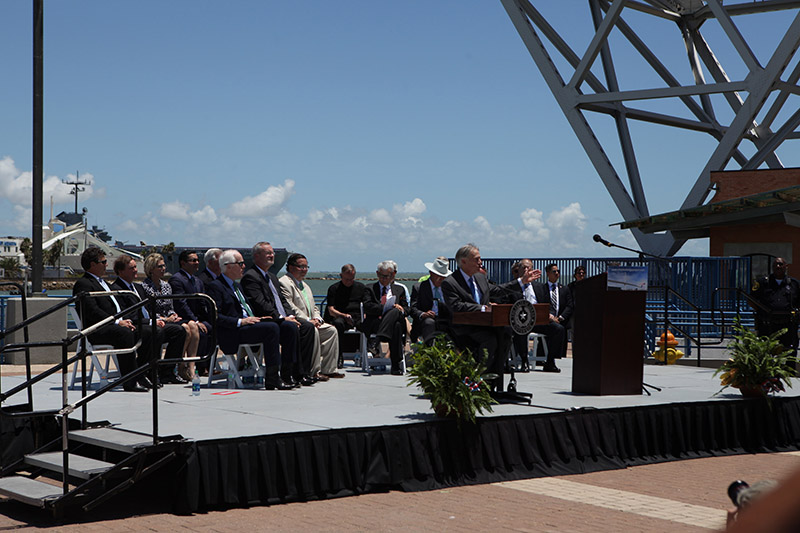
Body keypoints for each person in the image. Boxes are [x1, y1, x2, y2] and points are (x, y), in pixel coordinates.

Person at [204, 249, 291, 390]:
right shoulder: (215, 287)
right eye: (240, 263)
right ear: (228, 266)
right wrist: (240, 321)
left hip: (248, 325)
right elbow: (215, 317)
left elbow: (245, 309)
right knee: (271, 329)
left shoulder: (237, 286)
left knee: (287, 326)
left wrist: (258, 318)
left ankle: (289, 374)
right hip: (232, 330)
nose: (244, 266)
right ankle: (273, 378)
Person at [72, 247, 151, 392]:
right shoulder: (84, 284)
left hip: (116, 324)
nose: (106, 264)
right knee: (124, 334)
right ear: (92, 264)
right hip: (98, 329)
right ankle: (130, 381)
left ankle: (141, 372)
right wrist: (117, 321)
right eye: (103, 262)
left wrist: (124, 320)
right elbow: (92, 311)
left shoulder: (104, 283)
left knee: (150, 332)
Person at [441, 243, 511, 391]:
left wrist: (521, 282)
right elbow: (456, 306)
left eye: (480, 258)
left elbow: (497, 290)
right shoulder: (450, 282)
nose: (481, 262)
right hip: (465, 328)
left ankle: (493, 378)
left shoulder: (480, 277)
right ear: (464, 261)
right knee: (490, 340)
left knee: (505, 334)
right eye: (477, 259)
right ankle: (478, 380)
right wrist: (483, 308)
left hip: (487, 324)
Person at [240, 242, 309, 387]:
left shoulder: (272, 276)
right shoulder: (251, 277)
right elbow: (260, 304)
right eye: (268, 253)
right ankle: (275, 377)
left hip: (282, 318)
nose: (272, 256)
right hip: (267, 320)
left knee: (303, 327)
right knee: (289, 328)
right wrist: (281, 318)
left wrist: (291, 316)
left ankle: (294, 374)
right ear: (257, 256)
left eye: (272, 253)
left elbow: (283, 301)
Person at [111, 254, 187, 385]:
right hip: (136, 326)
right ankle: (147, 370)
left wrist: (160, 319)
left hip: (149, 322)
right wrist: (152, 321)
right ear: (121, 271)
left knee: (179, 331)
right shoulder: (117, 289)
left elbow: (149, 310)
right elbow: (128, 315)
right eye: (131, 268)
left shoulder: (138, 288)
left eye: (135, 267)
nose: (135, 270)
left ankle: (167, 372)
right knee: (155, 331)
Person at [279, 253, 343, 380]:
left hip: (311, 320)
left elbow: (313, 306)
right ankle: (314, 371)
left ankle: (329, 369)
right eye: (301, 267)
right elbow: (290, 306)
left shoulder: (305, 285)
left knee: (331, 330)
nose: (304, 270)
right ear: (291, 267)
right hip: (298, 321)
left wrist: (317, 318)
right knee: (312, 330)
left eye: (306, 267)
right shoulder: (285, 283)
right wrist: (309, 320)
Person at [141, 253, 201, 379]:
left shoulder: (166, 286)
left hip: (168, 319)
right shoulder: (144, 287)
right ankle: (170, 368)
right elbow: (147, 311)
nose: (163, 269)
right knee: (184, 329)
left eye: (164, 266)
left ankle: (179, 368)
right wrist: (164, 319)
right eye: (159, 267)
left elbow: (169, 307)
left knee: (190, 327)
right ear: (151, 269)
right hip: (157, 321)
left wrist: (172, 315)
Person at [500, 259, 553, 372]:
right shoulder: (512, 287)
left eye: (528, 267)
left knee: (558, 329)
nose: (526, 270)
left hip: (537, 321)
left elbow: (547, 303)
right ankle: (524, 360)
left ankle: (550, 361)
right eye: (523, 267)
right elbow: (504, 304)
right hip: (519, 322)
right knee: (521, 329)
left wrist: (550, 314)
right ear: (517, 270)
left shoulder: (539, 286)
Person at [324, 264, 378, 367]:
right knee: (337, 325)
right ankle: (339, 355)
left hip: (357, 316)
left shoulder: (361, 287)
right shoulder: (334, 288)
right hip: (340, 316)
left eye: (351, 279)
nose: (349, 282)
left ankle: (372, 350)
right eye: (346, 279)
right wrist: (344, 315)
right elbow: (331, 309)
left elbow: (367, 305)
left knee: (368, 323)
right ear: (341, 275)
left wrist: (365, 315)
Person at [169, 250, 214, 372]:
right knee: (201, 331)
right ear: (183, 263)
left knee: (213, 328)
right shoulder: (177, 279)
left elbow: (202, 303)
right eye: (193, 260)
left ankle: (208, 366)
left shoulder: (197, 281)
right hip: (185, 318)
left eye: (197, 260)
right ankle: (197, 367)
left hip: (197, 317)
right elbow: (181, 304)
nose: (196, 262)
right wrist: (195, 320)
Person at [366, 260, 410, 375]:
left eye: (388, 276)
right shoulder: (370, 288)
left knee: (395, 312)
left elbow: (407, 309)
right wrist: (384, 307)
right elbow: (368, 306)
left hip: (392, 321)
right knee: (396, 327)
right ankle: (395, 365)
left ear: (393, 275)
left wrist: (400, 308)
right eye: (382, 276)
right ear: (377, 274)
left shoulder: (399, 290)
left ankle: (378, 339)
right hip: (377, 321)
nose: (385, 278)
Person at [751, 257, 800, 356]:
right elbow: (751, 300)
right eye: (776, 265)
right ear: (772, 267)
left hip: (788, 326)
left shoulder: (794, 284)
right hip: (767, 325)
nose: (778, 267)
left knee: (790, 356)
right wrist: (762, 312)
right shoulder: (763, 283)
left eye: (781, 264)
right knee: (765, 357)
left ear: (786, 267)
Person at [409, 257, 453, 345]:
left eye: (443, 277)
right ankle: (429, 351)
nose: (441, 279)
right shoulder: (419, 288)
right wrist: (423, 314)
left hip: (444, 319)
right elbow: (413, 309)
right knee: (429, 323)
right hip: (425, 321)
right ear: (431, 273)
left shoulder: (448, 289)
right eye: (438, 276)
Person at [536, 263, 573, 362]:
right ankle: (543, 359)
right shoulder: (542, 289)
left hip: (561, 321)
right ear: (548, 273)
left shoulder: (564, 289)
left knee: (560, 342)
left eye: (558, 271)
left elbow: (569, 305)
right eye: (554, 271)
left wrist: (560, 317)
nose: (557, 273)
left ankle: (555, 359)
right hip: (547, 321)